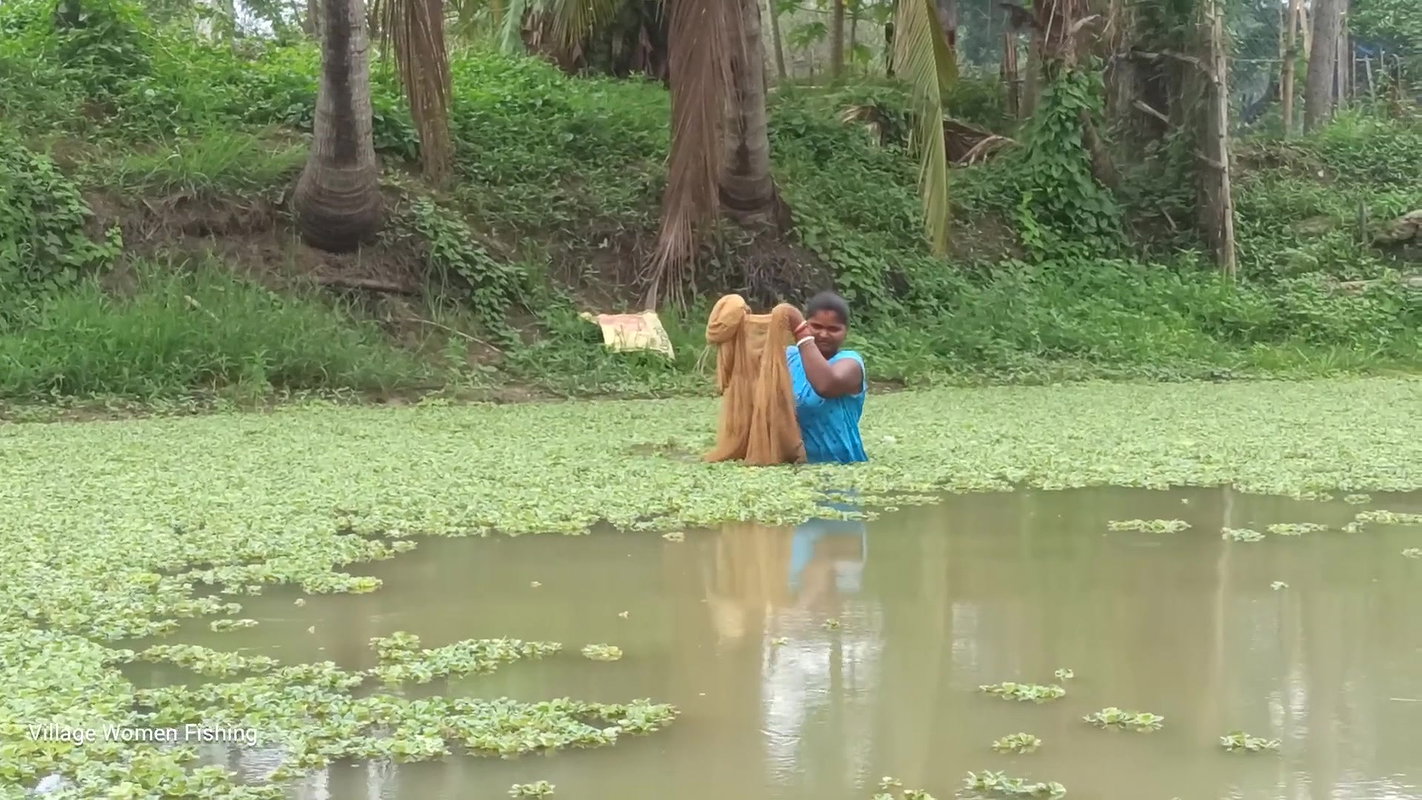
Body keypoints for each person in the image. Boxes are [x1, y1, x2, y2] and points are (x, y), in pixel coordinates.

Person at [782, 291, 867, 464]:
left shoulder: (851, 364)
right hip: (792, 470)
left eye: (833, 329)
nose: (823, 335)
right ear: (807, 324)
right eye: (817, 326)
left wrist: (803, 335)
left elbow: (826, 385)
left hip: (843, 467)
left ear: (846, 332)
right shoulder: (789, 357)